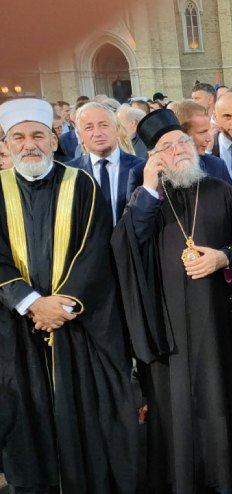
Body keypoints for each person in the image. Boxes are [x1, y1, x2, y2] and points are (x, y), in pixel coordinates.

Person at [112, 108, 232, 493]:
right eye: (166, 146)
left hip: (218, 326)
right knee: (175, 409)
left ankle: (226, 479)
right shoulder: (145, 200)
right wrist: (148, 186)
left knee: (219, 403)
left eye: (181, 141)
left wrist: (224, 256)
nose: (178, 149)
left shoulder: (221, 191)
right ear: (153, 157)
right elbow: (128, 248)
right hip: (168, 331)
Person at [0, 98, 138, 493]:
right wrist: (29, 302)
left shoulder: (81, 184)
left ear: (55, 138)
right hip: (16, 330)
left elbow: (94, 250)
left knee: (82, 424)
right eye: (20, 137)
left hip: (74, 329)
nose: (30, 144)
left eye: (38, 135)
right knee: (28, 424)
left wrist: (59, 306)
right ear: (7, 143)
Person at [67, 102, 145, 225]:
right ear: (81, 136)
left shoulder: (141, 167)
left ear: (117, 129)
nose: (97, 133)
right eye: (89, 128)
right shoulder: (69, 172)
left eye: (103, 125)